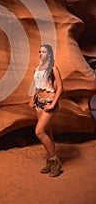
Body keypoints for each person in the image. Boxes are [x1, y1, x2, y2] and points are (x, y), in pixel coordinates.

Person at [29, 44, 63, 177]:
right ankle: (50, 160)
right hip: (39, 103)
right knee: (48, 132)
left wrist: (53, 104)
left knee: (39, 131)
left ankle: (55, 161)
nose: (40, 53)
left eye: (43, 51)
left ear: (49, 54)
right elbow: (36, 87)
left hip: (49, 102)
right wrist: (32, 98)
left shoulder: (54, 68)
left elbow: (60, 88)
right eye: (39, 51)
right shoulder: (36, 69)